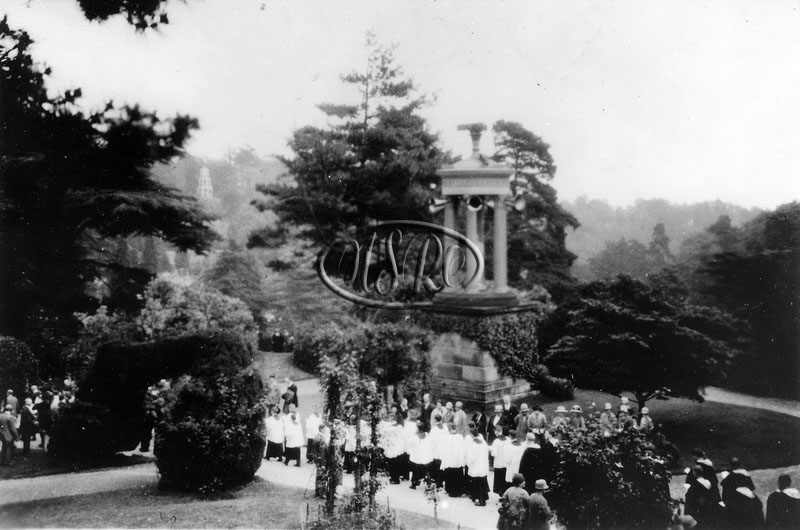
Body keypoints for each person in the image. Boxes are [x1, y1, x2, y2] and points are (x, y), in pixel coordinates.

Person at [465, 427, 490, 506]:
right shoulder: (484, 443)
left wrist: (468, 463)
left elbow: (471, 458)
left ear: (472, 435)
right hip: (483, 465)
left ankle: (478, 499)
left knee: (476, 484)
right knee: (482, 482)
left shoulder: (472, 445)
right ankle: (483, 498)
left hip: (475, 466)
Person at [441, 422, 466, 497]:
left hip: (450, 459)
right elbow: (462, 448)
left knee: (450, 474)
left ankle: (451, 490)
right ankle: (459, 490)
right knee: (458, 474)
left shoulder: (447, 438)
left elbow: (445, 449)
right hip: (457, 459)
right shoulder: (460, 437)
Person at [409, 420, 432, 489]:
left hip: (417, 457)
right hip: (425, 456)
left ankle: (414, 483)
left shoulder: (414, 437)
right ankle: (428, 482)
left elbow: (410, 444)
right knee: (426, 470)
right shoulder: (427, 435)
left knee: (415, 471)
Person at [383, 413, 405, 484]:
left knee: (392, 463)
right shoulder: (399, 426)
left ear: (392, 418)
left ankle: (395, 478)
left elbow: (387, 435)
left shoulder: (392, 427)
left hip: (393, 446)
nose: (388, 419)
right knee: (395, 462)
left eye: (389, 417)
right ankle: (395, 478)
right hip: (396, 447)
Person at [429, 413, 448, 487]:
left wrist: (431, 449)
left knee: (437, 466)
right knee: (442, 465)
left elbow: (432, 440)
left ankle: (438, 481)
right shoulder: (445, 428)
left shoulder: (434, 429)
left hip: (437, 449)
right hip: (444, 448)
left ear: (435, 420)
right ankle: (441, 480)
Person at [490, 425, 509, 494]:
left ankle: (500, 493)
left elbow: (494, 454)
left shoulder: (496, 441)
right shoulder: (508, 439)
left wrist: (491, 450)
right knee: (504, 479)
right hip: (506, 463)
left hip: (498, 463)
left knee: (499, 480)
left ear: (496, 432)